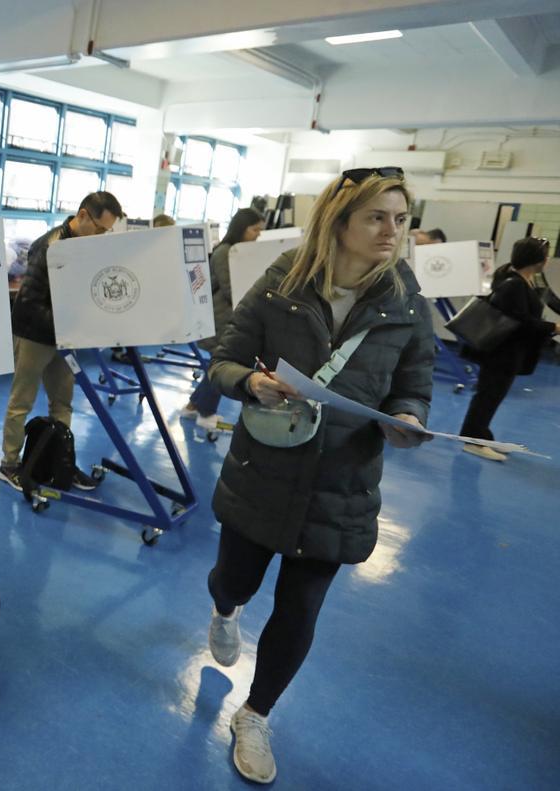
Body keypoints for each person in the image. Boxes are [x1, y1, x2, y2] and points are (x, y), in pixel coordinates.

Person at [202, 167, 435, 783]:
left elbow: (415, 382)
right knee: (234, 580)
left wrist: (409, 416)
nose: (393, 231)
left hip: (342, 481)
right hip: (264, 468)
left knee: (300, 608)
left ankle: (254, 714)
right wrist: (250, 384)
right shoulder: (282, 285)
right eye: (377, 217)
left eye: (401, 219)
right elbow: (223, 359)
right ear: (340, 222)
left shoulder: (407, 300)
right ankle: (224, 610)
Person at [0, 191, 126, 491]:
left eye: (106, 232)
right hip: (34, 335)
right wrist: (68, 326)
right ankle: (9, 465)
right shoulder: (49, 247)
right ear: (83, 215)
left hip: (64, 336)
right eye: (98, 229)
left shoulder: (84, 247)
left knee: (63, 402)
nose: (100, 236)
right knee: (21, 402)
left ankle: (61, 461)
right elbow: (29, 303)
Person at [458, 237, 558, 461]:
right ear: (536, 259)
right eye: (545, 254)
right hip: (500, 353)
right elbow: (520, 321)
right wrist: (554, 327)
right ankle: (472, 439)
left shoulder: (525, 281)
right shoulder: (514, 284)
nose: (547, 259)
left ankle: (482, 434)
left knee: (494, 395)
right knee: (488, 395)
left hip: (511, 353)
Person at [180, 208, 265, 432]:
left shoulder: (236, 251)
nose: (258, 234)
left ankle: (192, 407)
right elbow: (231, 289)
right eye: (254, 229)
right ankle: (206, 413)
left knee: (215, 365)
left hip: (225, 317)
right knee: (222, 365)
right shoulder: (226, 252)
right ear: (241, 228)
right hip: (220, 319)